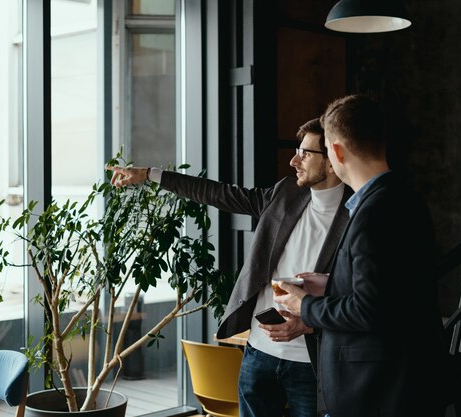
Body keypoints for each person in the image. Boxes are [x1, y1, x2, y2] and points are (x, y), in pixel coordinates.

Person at [107, 118, 353, 417]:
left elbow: (361, 299)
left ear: (332, 162)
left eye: (305, 153)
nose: (293, 160)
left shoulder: (357, 217)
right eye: (296, 151)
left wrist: (311, 323)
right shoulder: (286, 193)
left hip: (313, 364)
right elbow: (221, 194)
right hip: (258, 354)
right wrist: (149, 174)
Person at [275, 94, 455, 417]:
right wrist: (331, 283)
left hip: (377, 393)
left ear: (338, 152)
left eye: (327, 148)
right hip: (406, 385)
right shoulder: (407, 198)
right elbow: (395, 289)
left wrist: (304, 305)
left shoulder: (373, 212)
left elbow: (369, 310)